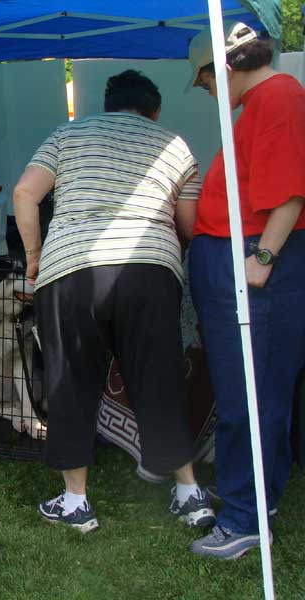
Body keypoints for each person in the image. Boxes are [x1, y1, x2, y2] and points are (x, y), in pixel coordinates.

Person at [13, 70, 212, 534]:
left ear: (107, 105)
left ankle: (76, 502)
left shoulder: (68, 132)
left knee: (70, 380)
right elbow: (189, 223)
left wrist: (34, 258)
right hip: (149, 271)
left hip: (71, 269)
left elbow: (25, 193)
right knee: (158, 379)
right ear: (154, 109)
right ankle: (189, 493)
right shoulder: (175, 145)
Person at [184, 21, 305, 559]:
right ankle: (252, 497)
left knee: (248, 395)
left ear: (225, 67)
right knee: (251, 391)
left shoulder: (278, 96)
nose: (210, 94)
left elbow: (292, 192)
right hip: (237, 254)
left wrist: (261, 259)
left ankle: (244, 518)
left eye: (207, 82)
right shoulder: (261, 104)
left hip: (254, 259)